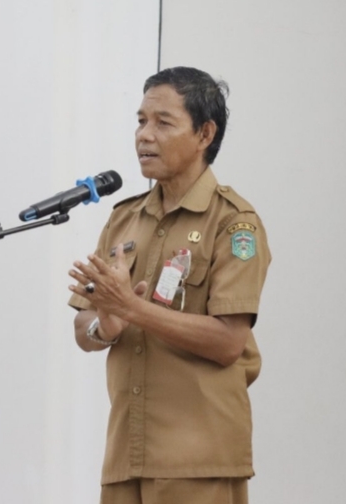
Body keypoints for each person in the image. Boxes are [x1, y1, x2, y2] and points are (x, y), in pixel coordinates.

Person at [67, 66, 271, 504]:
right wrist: (104, 326)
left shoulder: (234, 223)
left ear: (204, 134)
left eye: (163, 122)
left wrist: (133, 309)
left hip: (198, 460)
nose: (144, 135)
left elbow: (228, 342)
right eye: (141, 121)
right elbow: (84, 326)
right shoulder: (124, 218)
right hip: (127, 455)